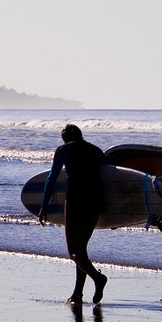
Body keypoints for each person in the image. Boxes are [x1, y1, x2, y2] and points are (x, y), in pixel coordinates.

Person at [40, 123, 107, 303]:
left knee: (74, 252)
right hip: (95, 201)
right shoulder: (95, 150)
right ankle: (78, 293)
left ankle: (98, 278)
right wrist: (114, 212)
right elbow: (109, 177)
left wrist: (44, 205)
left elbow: (52, 177)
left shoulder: (63, 150)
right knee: (81, 250)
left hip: (76, 201)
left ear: (64, 138)